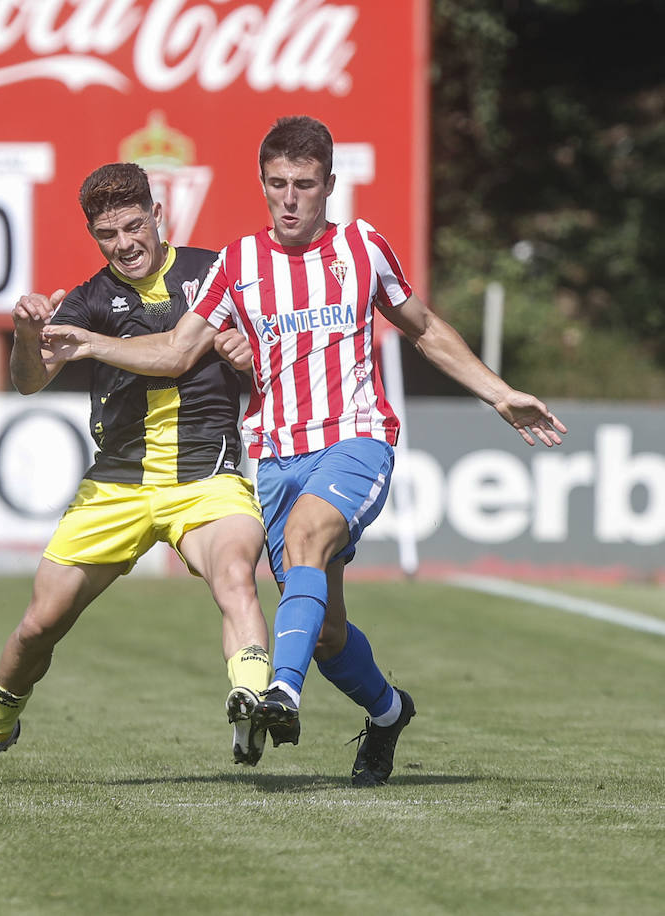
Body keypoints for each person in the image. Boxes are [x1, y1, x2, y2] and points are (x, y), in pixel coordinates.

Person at [42, 116, 567, 787]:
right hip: (277, 460)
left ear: (329, 186)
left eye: (305, 185)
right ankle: (386, 713)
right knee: (325, 634)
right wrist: (90, 344)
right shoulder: (238, 263)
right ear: (263, 184)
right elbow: (174, 351)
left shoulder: (362, 248)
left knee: (306, 532)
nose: (290, 199)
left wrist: (498, 393)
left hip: (356, 439)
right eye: (277, 184)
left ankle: (279, 694)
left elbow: (425, 327)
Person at [0, 162, 275, 788]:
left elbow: (268, 363)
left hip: (208, 477)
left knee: (235, 574)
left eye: (132, 226)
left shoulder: (215, 273)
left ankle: (250, 701)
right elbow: (29, 383)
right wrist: (23, 332)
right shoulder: (88, 300)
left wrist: (251, 357)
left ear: (158, 215)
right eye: (107, 235)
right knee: (39, 626)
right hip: (116, 485)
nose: (124, 244)